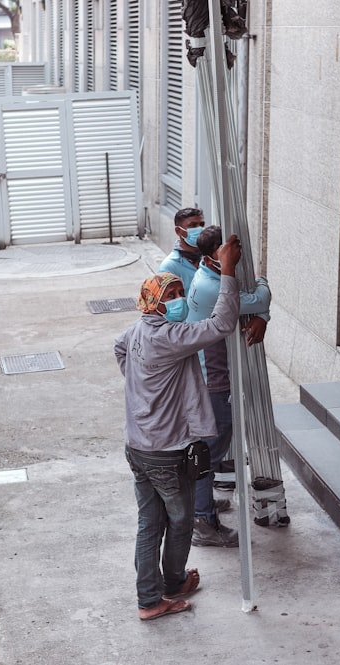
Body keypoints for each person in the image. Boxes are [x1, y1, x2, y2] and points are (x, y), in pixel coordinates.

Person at [114, 234, 243, 620]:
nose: (179, 300)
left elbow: (118, 349)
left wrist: (143, 386)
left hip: (138, 446)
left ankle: (154, 594)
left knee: (149, 523)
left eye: (179, 292)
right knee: (182, 520)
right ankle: (161, 593)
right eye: (172, 295)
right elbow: (222, 322)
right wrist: (230, 270)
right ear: (155, 303)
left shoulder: (138, 330)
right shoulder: (170, 337)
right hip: (165, 451)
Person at [185, 225, 272, 547]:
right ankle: (203, 523)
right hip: (214, 385)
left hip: (209, 379)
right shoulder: (212, 286)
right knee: (206, 456)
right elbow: (260, 295)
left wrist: (259, 312)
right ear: (214, 258)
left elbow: (252, 305)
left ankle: (202, 506)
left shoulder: (205, 276)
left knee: (206, 453)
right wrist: (258, 284)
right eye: (231, 256)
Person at [158, 207, 206, 289]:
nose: (199, 229)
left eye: (201, 225)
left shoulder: (210, 257)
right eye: (193, 226)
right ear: (178, 231)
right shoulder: (170, 266)